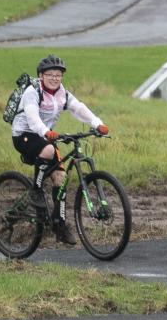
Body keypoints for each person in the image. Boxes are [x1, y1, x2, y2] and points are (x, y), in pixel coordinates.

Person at [10, 54, 108, 246]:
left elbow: (78, 108)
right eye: (50, 75)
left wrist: (98, 124)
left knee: (60, 179)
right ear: (41, 76)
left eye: (58, 75)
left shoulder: (62, 93)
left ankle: (59, 224)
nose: (55, 78)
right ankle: (36, 191)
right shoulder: (33, 91)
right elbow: (32, 117)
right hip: (25, 135)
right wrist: (46, 132)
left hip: (46, 136)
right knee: (48, 151)